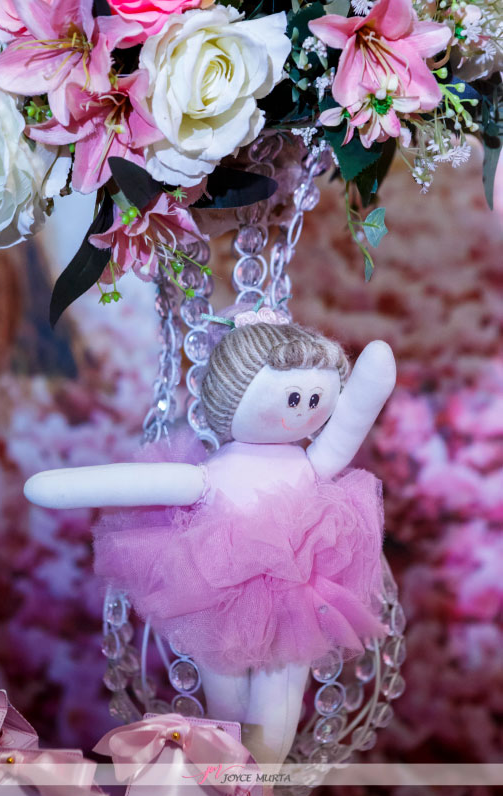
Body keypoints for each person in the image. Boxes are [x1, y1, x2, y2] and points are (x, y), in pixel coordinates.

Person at [24, 311, 396, 764]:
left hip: (300, 595)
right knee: (227, 704)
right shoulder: (212, 474)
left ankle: (257, 778)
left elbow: (344, 432)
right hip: (218, 595)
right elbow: (144, 483)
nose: (302, 410)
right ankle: (231, 774)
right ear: (229, 399)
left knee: (277, 703)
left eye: (315, 399)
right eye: (293, 397)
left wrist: (369, 385)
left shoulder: (308, 464)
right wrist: (61, 487)